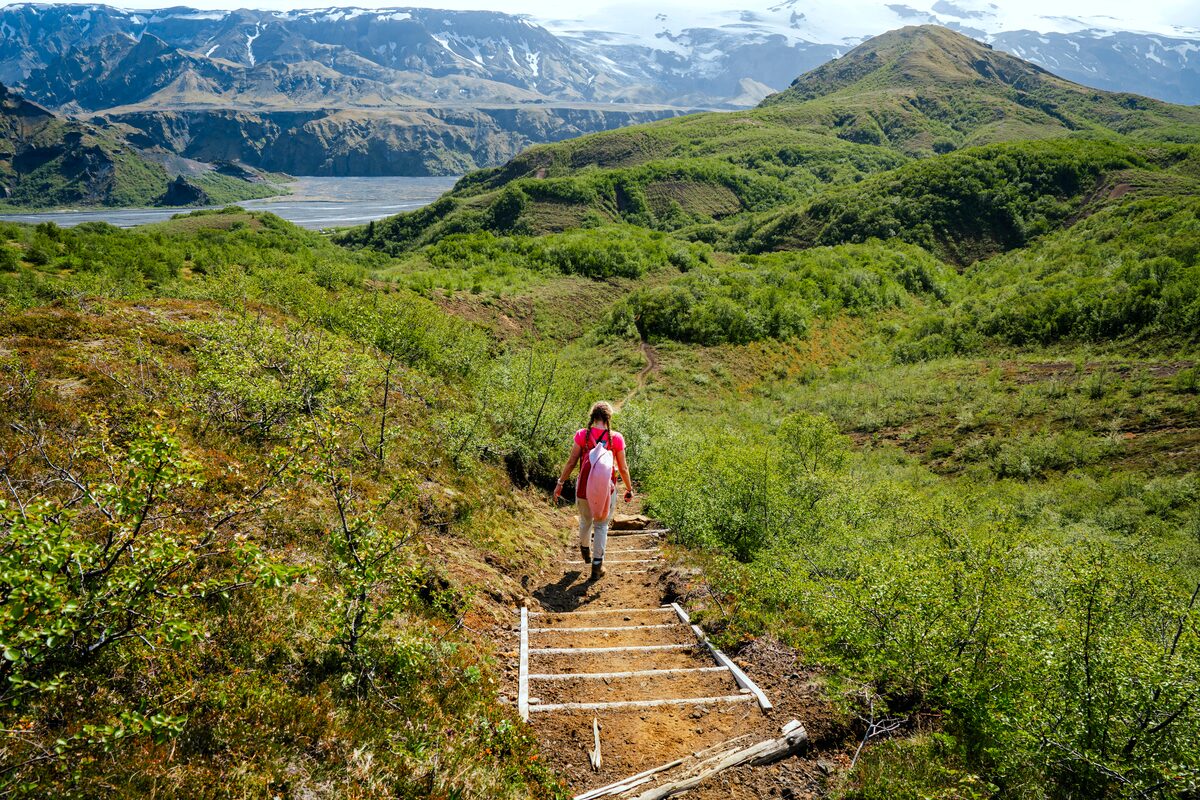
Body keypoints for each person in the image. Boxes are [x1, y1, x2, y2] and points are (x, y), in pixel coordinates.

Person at [553, 401, 634, 581]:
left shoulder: (582, 435)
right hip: (606, 490)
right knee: (601, 526)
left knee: (585, 521)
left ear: (592, 416)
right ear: (608, 418)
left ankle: (584, 548)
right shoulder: (617, 438)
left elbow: (572, 462)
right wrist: (629, 488)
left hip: (584, 488)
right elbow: (623, 468)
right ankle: (597, 567)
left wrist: (560, 483)